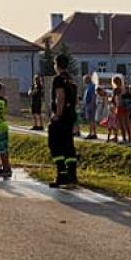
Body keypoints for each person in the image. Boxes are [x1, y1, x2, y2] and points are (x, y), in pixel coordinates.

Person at [49, 56, 79, 187]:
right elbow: (75, 100)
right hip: (70, 116)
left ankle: (61, 174)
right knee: (68, 146)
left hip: (61, 117)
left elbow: (60, 97)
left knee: (55, 145)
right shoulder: (71, 79)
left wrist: (57, 114)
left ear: (57, 65)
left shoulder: (58, 79)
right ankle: (72, 175)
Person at [82, 72, 99, 139]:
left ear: (88, 79)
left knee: (91, 120)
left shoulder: (92, 86)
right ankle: (94, 133)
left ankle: (91, 133)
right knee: (92, 120)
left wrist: (92, 104)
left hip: (91, 105)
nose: (84, 81)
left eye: (84, 80)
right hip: (89, 104)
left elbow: (93, 96)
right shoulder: (89, 86)